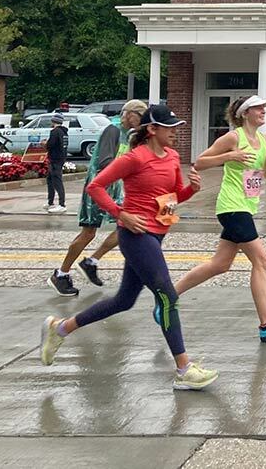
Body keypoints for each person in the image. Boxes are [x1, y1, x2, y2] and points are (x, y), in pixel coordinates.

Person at [38, 104, 219, 391]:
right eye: (169, 127)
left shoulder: (172, 157)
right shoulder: (135, 158)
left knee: (124, 300)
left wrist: (192, 190)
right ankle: (184, 368)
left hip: (157, 233)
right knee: (168, 296)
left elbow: (171, 198)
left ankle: (60, 328)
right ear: (152, 130)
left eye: (176, 127)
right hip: (135, 236)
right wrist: (120, 214)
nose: (175, 132)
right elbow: (95, 186)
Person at [173, 95, 266, 343]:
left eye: (265, 108)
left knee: (220, 264)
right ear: (244, 113)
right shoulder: (233, 138)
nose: (264, 111)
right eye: (258, 108)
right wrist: (228, 157)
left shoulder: (264, 140)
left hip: (246, 206)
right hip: (231, 206)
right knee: (261, 258)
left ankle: (168, 297)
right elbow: (199, 162)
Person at [49, 99, 147, 296]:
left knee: (128, 225)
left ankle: (91, 261)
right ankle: (62, 273)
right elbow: (105, 160)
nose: (141, 121)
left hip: (114, 187)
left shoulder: (129, 135)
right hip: (99, 186)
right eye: (139, 116)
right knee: (89, 232)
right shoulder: (113, 130)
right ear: (128, 114)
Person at [45, 113, 69, 213]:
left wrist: (45, 144)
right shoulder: (64, 132)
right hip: (61, 158)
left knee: (57, 181)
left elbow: (50, 145)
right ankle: (50, 202)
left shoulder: (55, 132)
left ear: (53, 121)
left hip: (55, 159)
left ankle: (62, 204)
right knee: (50, 180)